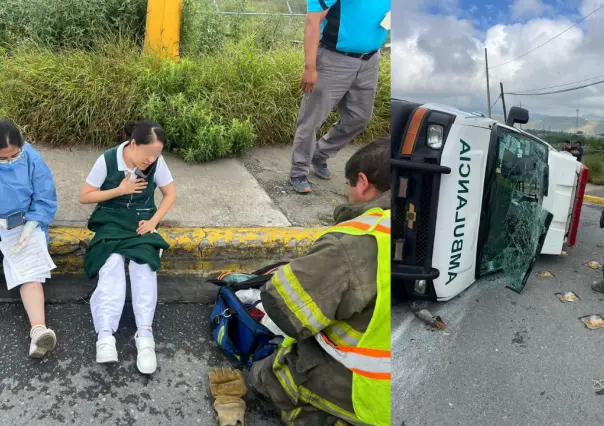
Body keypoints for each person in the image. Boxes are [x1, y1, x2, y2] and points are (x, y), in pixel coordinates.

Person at [250, 140, 391, 425]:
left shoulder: (359, 240)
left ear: (362, 183)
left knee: (260, 375)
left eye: (349, 185)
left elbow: (284, 309)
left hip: (363, 397)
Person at [79, 120, 176, 374]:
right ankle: (105, 334)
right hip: (111, 219)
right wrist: (119, 190)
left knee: (144, 265)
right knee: (110, 264)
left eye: (156, 156)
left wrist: (154, 222)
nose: (151, 161)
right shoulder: (109, 159)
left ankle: (145, 334)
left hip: (141, 220)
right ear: (133, 144)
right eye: (147, 155)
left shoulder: (156, 161)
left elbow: (170, 194)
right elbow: (85, 196)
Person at [289, 0, 391, 194]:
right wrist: (310, 67)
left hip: (370, 60)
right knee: (311, 120)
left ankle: (320, 153)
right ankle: (299, 171)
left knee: (359, 118)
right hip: (334, 60)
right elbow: (313, 19)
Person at [0, 120, 58, 358]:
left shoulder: (32, 159)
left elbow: (45, 198)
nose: (10, 162)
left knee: (31, 272)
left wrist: (32, 224)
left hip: (23, 223)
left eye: (14, 155)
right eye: (3, 159)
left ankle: (38, 331)